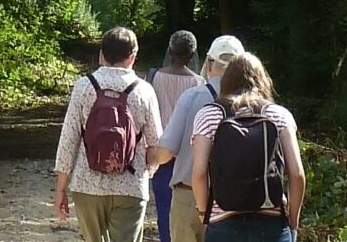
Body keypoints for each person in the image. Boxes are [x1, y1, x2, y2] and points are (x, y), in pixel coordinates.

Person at [53, 26, 165, 242]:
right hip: (130, 186)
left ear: (101, 54)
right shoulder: (144, 90)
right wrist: (148, 171)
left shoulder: (84, 87)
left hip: (87, 185)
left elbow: (68, 140)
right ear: (133, 57)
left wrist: (60, 189)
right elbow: (156, 144)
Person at [188, 52, 306, 242]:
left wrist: (204, 212)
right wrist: (293, 220)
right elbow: (297, 174)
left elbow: (199, 174)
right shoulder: (279, 115)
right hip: (272, 224)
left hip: (224, 224)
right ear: (263, 79)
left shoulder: (209, 114)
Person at [153, 33, 243, 242]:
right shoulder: (256, 104)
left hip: (189, 197)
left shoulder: (193, 97)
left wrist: (156, 161)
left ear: (209, 63)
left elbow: (166, 151)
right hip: (236, 200)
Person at [148, 30, 202, 242]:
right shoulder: (199, 83)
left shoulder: (155, 77)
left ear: (170, 50)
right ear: (192, 54)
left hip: (162, 152)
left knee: (163, 209)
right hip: (189, 156)